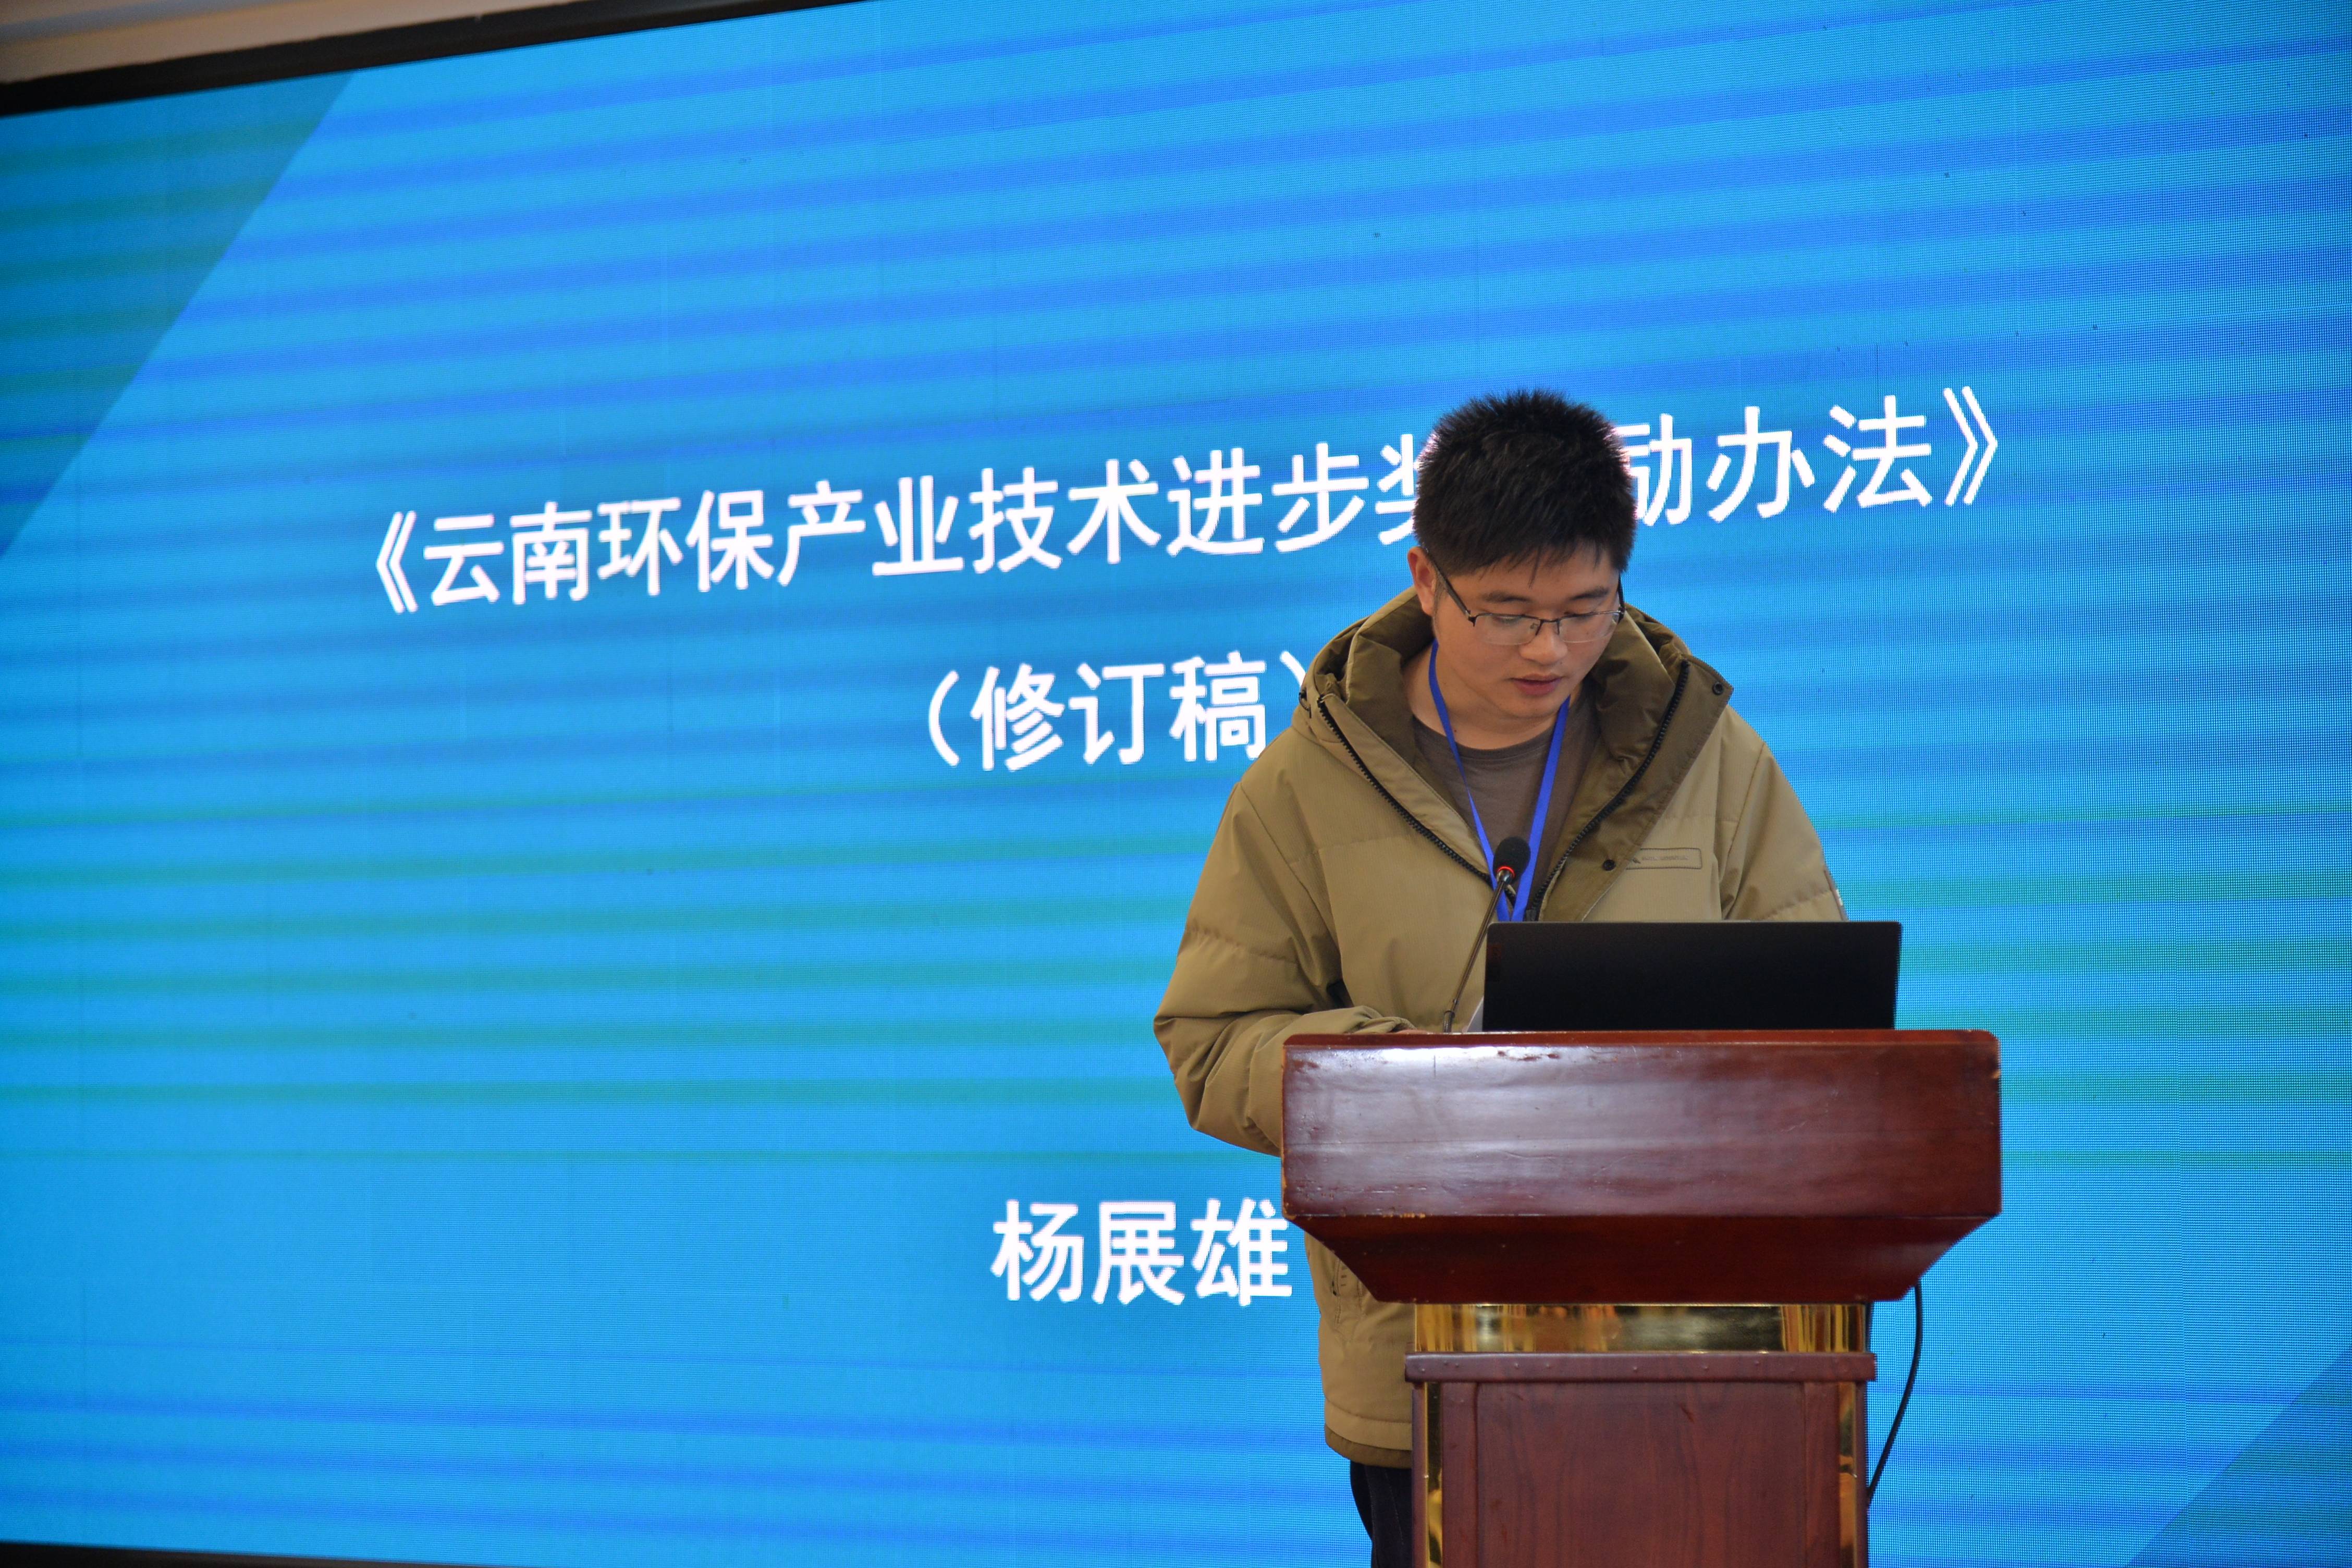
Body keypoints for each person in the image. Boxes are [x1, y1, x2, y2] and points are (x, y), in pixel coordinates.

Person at [1152, 389, 1845, 1566]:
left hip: (1699, 1345)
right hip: (1425, 1347)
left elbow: (1820, 1012)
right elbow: (1213, 1041)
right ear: (1426, 580)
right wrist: (1404, 1079)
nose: (1550, 650)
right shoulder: (1303, 787)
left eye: (1585, 609)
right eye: (1509, 614)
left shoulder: (1709, 756)